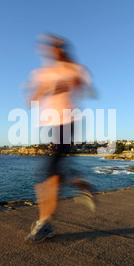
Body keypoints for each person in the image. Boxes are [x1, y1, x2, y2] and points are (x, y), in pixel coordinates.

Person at [24, 33, 96, 244]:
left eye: (57, 46)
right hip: (48, 126)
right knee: (45, 177)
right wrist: (42, 90)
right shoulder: (42, 72)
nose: (53, 50)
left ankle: (45, 224)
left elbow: (88, 88)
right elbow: (31, 99)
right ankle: (79, 183)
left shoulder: (74, 68)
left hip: (67, 121)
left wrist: (71, 83)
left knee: (50, 174)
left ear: (63, 49)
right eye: (49, 47)